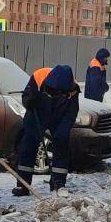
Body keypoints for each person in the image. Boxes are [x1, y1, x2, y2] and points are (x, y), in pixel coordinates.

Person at [13, 65, 80, 194]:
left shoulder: (73, 89)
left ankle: (58, 184)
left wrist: (63, 130)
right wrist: (28, 101)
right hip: (38, 113)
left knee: (61, 143)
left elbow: (71, 113)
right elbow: (26, 95)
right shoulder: (39, 76)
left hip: (60, 116)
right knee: (28, 145)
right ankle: (23, 185)